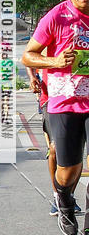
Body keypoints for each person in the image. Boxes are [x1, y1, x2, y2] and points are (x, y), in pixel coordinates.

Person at [22, 0, 89, 235]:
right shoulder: (56, 17)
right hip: (63, 103)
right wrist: (54, 61)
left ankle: (88, 233)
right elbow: (28, 55)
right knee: (68, 170)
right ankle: (62, 196)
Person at [26, 64, 82, 217]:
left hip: (78, 100)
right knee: (54, 149)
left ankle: (68, 196)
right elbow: (30, 58)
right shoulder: (49, 40)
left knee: (77, 150)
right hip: (50, 100)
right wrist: (32, 78)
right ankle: (57, 195)